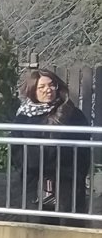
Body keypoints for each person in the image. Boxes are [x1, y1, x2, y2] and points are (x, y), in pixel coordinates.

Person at [10, 68, 93, 214]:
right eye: (41, 87)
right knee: (29, 215)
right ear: (32, 91)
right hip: (32, 176)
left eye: (51, 85)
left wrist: (77, 172)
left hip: (67, 176)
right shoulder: (24, 115)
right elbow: (16, 146)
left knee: (68, 217)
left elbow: (84, 146)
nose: (48, 90)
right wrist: (25, 166)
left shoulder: (71, 113)